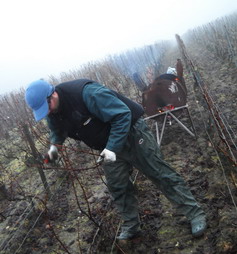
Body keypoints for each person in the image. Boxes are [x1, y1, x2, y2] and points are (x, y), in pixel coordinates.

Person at [25, 79, 207, 240]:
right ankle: (131, 225)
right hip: (108, 145)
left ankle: (194, 213)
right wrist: (53, 151)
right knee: (117, 185)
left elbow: (122, 115)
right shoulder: (53, 112)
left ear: (53, 94)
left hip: (131, 134)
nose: (47, 112)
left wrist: (112, 148)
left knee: (159, 173)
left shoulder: (87, 93)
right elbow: (57, 131)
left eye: (47, 106)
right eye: (43, 110)